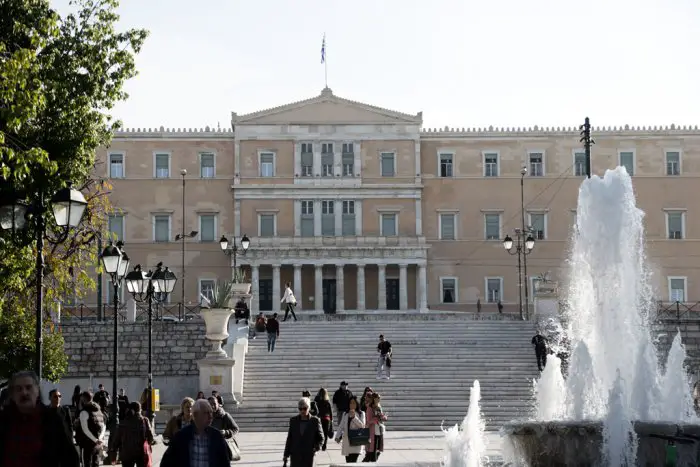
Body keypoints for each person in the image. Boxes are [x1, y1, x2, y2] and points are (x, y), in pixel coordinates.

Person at [0, 370, 80, 467]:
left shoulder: (52, 419)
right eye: (19, 389)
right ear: (12, 395)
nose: (24, 392)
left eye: (28, 387)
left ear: (37, 391)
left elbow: (70, 457)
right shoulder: (4, 420)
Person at [160, 399, 231, 467]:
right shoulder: (181, 436)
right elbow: (166, 463)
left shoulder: (217, 436)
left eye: (211, 412)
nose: (210, 416)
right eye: (206, 413)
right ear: (195, 415)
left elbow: (225, 462)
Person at [110, 401, 155, 467]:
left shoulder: (123, 422)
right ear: (139, 410)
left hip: (126, 453)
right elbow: (150, 437)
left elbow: (116, 441)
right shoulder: (144, 420)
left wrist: (113, 457)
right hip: (141, 453)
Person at [283, 397, 324, 467]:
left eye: (305, 408)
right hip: (295, 455)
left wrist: (315, 448)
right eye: (300, 409)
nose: (302, 411)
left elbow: (321, 438)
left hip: (308, 456)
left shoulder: (315, 421)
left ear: (309, 408)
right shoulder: (293, 421)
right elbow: (290, 438)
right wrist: (286, 455)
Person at [76, 390, 107, 467]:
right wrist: (99, 439)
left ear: (83, 399)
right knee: (95, 463)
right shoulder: (98, 410)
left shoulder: (84, 412)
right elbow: (103, 426)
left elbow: (85, 430)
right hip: (97, 444)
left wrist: (96, 440)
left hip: (87, 444)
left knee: (87, 463)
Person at [335, 397, 366, 463]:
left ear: (357, 404)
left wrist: (354, 417)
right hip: (347, 441)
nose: (352, 405)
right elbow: (341, 426)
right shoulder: (345, 414)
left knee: (353, 462)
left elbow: (362, 426)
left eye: (354, 403)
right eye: (350, 403)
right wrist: (337, 436)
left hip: (356, 440)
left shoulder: (361, 413)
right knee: (348, 462)